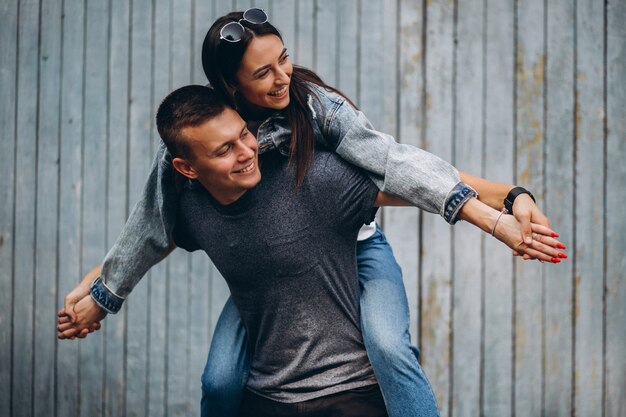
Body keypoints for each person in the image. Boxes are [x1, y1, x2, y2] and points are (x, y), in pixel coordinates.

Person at [58, 8, 566, 417]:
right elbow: (154, 223)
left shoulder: (315, 107)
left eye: (284, 59)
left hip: (359, 248)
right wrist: (102, 289)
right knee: (218, 380)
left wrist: (505, 207)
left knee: (389, 347)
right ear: (230, 88)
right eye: (264, 72)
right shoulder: (200, 133)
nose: (284, 76)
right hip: (262, 278)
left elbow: (396, 167)